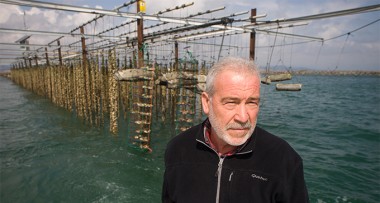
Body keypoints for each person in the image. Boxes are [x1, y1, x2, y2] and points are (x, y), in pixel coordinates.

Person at [162, 57, 309, 203]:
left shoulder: (284, 159)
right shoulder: (178, 149)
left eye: (252, 102)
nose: (243, 117)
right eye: (231, 102)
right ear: (207, 103)